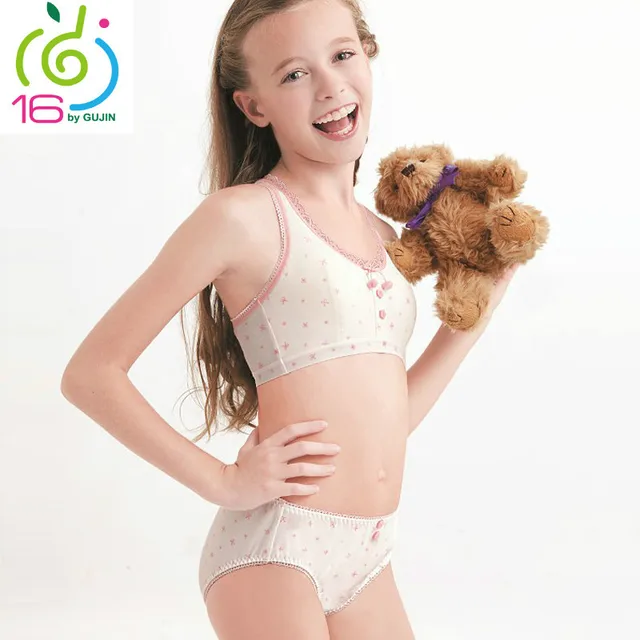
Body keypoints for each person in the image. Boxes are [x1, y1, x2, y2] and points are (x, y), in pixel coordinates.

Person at [60, 0, 519, 637]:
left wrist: (476, 314)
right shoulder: (242, 217)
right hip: (277, 546)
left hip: (368, 553)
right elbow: (90, 374)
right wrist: (223, 482)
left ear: (367, 55)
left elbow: (389, 420)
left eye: (342, 55)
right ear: (254, 106)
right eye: (295, 74)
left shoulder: (386, 239)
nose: (330, 87)